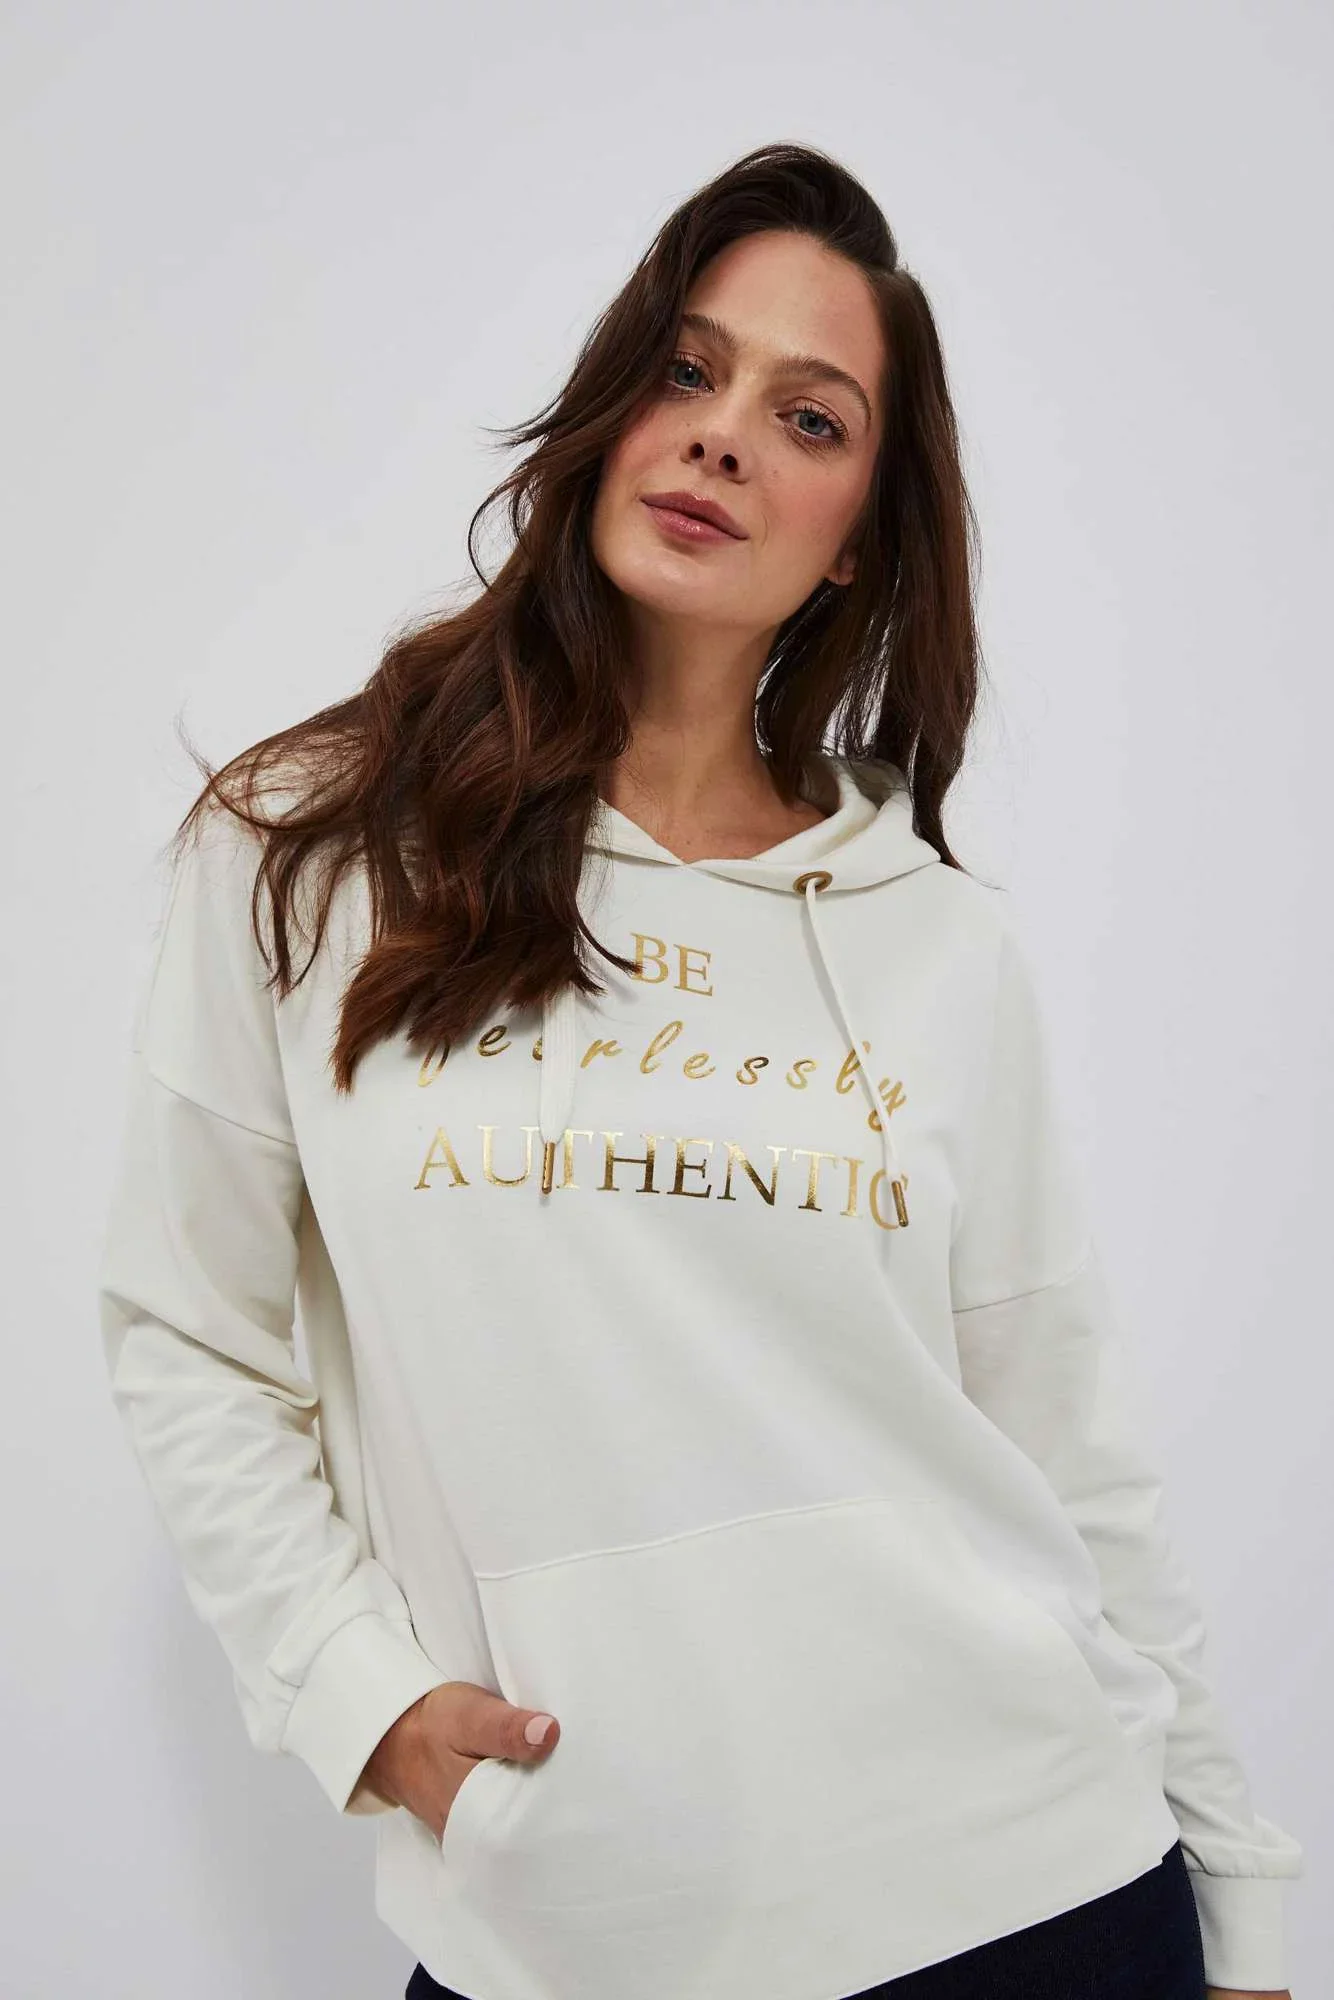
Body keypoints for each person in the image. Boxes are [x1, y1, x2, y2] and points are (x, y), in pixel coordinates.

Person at [96, 141, 1302, 2000]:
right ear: (610, 409)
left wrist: (1243, 1902)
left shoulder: (933, 947)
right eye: (686, 369)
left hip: (1022, 1893)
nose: (722, 436)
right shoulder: (315, 851)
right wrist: (360, 1698)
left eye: (807, 419)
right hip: (572, 1931)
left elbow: (1064, 1443)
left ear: (862, 535)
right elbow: (191, 1332)